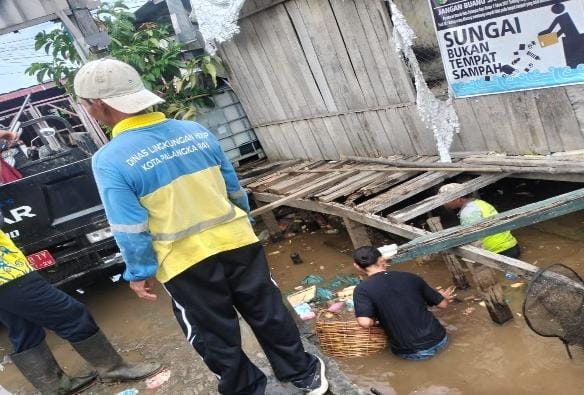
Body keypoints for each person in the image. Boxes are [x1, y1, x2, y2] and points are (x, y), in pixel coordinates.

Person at [74, 58, 328, 395]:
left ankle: (247, 388)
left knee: (212, 331)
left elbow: (129, 227)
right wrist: (242, 222)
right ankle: (302, 374)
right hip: (237, 241)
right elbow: (234, 189)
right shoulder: (194, 132)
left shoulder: (109, 159)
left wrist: (140, 272)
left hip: (183, 261)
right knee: (267, 311)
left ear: (98, 106)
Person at [0, 228, 161, 394]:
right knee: (71, 315)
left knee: (24, 328)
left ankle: (56, 387)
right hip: (8, 273)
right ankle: (113, 369)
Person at [352, 245, 454, 361]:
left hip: (411, 351)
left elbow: (365, 322)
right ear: (382, 260)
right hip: (440, 338)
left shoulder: (362, 290)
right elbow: (443, 304)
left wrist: (378, 313)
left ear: (357, 266)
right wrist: (441, 297)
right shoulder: (410, 277)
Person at [438, 183, 521, 259]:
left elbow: (473, 239)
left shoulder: (467, 213)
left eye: (446, 200)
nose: (443, 203)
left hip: (499, 252)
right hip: (511, 245)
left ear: (458, 198)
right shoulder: (480, 203)